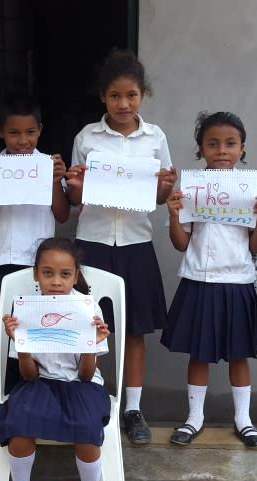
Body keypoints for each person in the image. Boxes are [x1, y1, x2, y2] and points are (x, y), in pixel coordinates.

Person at [64, 49, 176, 445]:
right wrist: (75, 185)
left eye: (131, 95)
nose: (123, 104)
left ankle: (132, 409)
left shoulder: (155, 137)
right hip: (92, 243)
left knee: (134, 331)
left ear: (143, 94)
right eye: (115, 95)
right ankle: (87, 398)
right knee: (86, 327)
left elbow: (159, 196)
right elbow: (75, 197)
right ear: (103, 97)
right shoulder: (87, 137)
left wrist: (166, 186)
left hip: (135, 242)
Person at [161, 111, 257, 447]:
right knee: (199, 353)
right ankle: (194, 418)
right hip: (199, 280)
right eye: (213, 143)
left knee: (239, 354)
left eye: (230, 143)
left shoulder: (249, 190)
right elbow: (181, 244)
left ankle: (244, 420)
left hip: (238, 281)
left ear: (242, 148)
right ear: (200, 149)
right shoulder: (191, 188)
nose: (222, 150)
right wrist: (174, 215)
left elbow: (256, 245)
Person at [0, 238, 112, 481]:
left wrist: (91, 344)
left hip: (81, 384)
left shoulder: (88, 308)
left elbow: (85, 375)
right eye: (48, 273)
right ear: (36, 274)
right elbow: (29, 375)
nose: (56, 282)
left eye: (65, 274)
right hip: (40, 382)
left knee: (87, 428)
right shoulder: (25, 310)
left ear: (76, 276)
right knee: (19, 423)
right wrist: (21, 345)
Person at [0, 93, 70, 392]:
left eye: (30, 132)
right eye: (14, 133)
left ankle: (41, 398)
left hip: (42, 269)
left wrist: (55, 180)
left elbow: (62, 214)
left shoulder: (47, 166)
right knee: (5, 337)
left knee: (41, 334)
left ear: (40, 130)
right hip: (2, 263)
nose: (22, 140)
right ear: (0, 132)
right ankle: (8, 399)